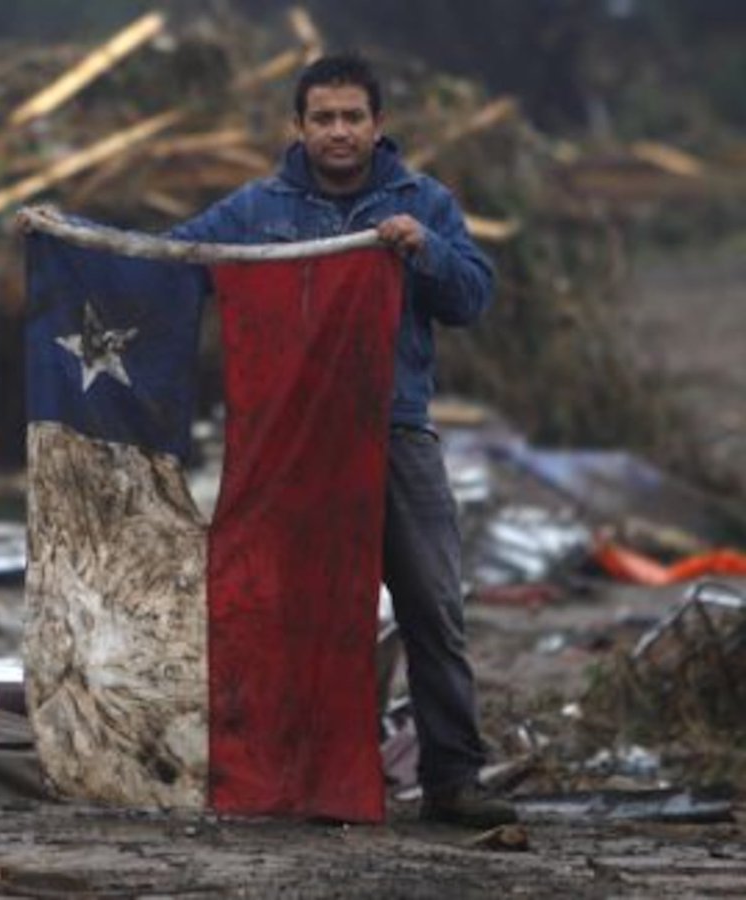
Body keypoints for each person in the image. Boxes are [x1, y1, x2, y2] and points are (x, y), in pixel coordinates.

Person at [172, 53, 517, 828]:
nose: (338, 131)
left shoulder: (421, 201)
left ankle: (454, 779)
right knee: (296, 615)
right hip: (292, 449)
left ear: (377, 125)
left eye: (351, 117)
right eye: (322, 118)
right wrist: (72, 244)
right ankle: (306, 777)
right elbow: (171, 266)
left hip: (395, 435)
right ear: (298, 127)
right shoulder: (254, 211)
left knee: (432, 610)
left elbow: (472, 297)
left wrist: (421, 249)